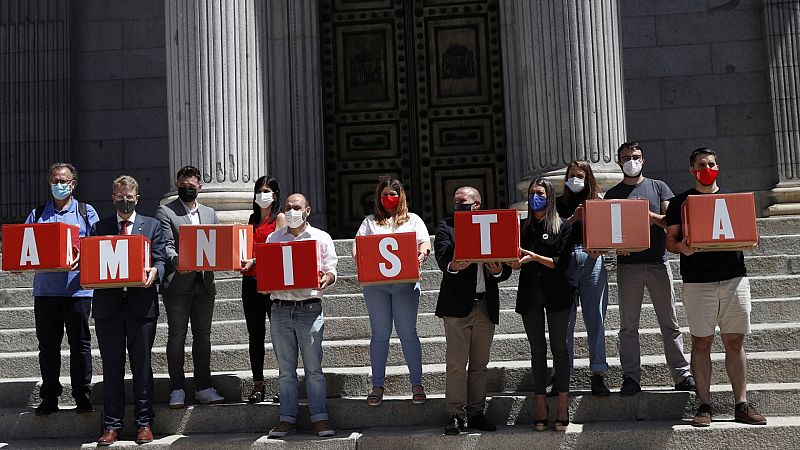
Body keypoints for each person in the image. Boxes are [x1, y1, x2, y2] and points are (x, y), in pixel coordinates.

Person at [665, 148, 766, 427]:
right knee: (702, 341)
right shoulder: (680, 202)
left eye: (710, 164)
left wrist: (751, 240)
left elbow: (749, 232)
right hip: (698, 282)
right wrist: (681, 248)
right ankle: (704, 405)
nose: (706, 168)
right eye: (700, 164)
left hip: (734, 278)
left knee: (735, 341)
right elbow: (670, 241)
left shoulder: (733, 200)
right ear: (692, 169)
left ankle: (741, 404)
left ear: (717, 166)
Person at [605, 142, 695, 396]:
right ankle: (631, 377)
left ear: (643, 160)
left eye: (635, 157)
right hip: (628, 266)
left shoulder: (659, 187)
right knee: (628, 326)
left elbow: (669, 222)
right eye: (625, 158)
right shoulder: (613, 194)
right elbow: (610, 232)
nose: (630, 161)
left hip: (658, 262)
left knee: (670, 323)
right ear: (618, 161)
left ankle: (681, 374)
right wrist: (615, 247)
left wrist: (646, 213)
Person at [92, 176, 166, 446]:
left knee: (142, 367)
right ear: (113, 197)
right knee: (112, 368)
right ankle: (111, 425)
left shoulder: (152, 225)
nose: (126, 200)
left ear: (138, 197)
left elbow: (161, 256)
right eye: (120, 196)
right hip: (108, 308)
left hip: (141, 306)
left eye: (130, 196)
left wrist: (156, 270)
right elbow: (92, 260)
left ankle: (144, 423)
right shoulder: (99, 227)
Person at [434, 186, 512, 435]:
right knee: (457, 364)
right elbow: (443, 260)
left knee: (480, 365)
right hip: (457, 307)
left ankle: (477, 413)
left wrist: (496, 268)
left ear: (477, 204)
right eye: (455, 201)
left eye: (463, 201)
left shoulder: (495, 225)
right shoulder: (446, 226)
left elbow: (506, 269)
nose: (457, 205)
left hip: (485, 305)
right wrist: (456, 264)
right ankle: (455, 414)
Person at [25, 162, 99, 416]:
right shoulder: (37, 214)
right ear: (50, 183)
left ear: (73, 184)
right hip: (46, 291)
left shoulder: (86, 212)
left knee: (80, 346)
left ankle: (82, 396)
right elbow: (26, 247)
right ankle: (49, 397)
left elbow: (99, 247)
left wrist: (84, 256)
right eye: (55, 181)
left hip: (77, 291)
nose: (59, 185)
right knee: (48, 347)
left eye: (64, 181)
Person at [264, 193, 338, 438]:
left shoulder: (321, 237)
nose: (292, 211)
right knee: (285, 370)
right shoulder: (274, 238)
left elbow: (331, 270)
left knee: (313, 368)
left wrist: (327, 278)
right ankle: (287, 419)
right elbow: (267, 274)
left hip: (309, 308)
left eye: (297, 207)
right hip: (280, 309)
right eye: (288, 207)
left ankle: (320, 418)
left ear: (307, 211)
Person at [353, 177, 431, 407]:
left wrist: (422, 254)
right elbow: (357, 246)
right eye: (385, 194)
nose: (389, 198)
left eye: (393, 194)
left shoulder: (413, 220)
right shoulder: (369, 222)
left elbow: (425, 243)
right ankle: (377, 385)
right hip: (376, 285)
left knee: (408, 332)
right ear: (379, 197)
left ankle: (417, 383)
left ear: (401, 196)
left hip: (405, 284)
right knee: (379, 334)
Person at [156, 165, 225, 408]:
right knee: (177, 337)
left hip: (204, 284)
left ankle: (203, 386)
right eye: (183, 186)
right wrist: (178, 263)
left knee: (203, 337)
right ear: (177, 185)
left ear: (199, 188)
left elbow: (217, 245)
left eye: (191, 187)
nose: (187, 190)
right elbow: (165, 245)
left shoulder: (210, 213)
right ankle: (177, 388)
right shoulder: (166, 212)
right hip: (178, 283)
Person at [512, 178, 575, 432]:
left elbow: (561, 262)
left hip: (558, 293)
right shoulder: (523, 226)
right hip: (531, 293)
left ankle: (562, 403)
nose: (534, 197)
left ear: (549, 197)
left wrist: (534, 257)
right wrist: (513, 263)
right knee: (537, 350)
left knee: (559, 347)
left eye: (539, 193)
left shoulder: (564, 225)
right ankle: (540, 404)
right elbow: (514, 255)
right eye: (531, 193)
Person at [556, 160, 610, 395]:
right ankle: (562, 375)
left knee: (595, 317)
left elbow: (610, 230)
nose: (575, 179)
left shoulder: (598, 202)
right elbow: (552, 235)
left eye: (580, 175)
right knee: (564, 322)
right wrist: (573, 219)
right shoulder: (557, 203)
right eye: (571, 175)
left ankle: (598, 373)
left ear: (588, 178)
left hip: (592, 259)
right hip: (565, 260)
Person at [239, 176, 286, 403]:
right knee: (255, 335)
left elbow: (279, 251)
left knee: (279, 335)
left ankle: (284, 382)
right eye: (259, 190)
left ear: (275, 194)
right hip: (250, 282)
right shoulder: (252, 219)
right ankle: (258, 383)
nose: (262, 195)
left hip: (272, 282)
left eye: (267, 190)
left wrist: (255, 261)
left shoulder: (280, 219)